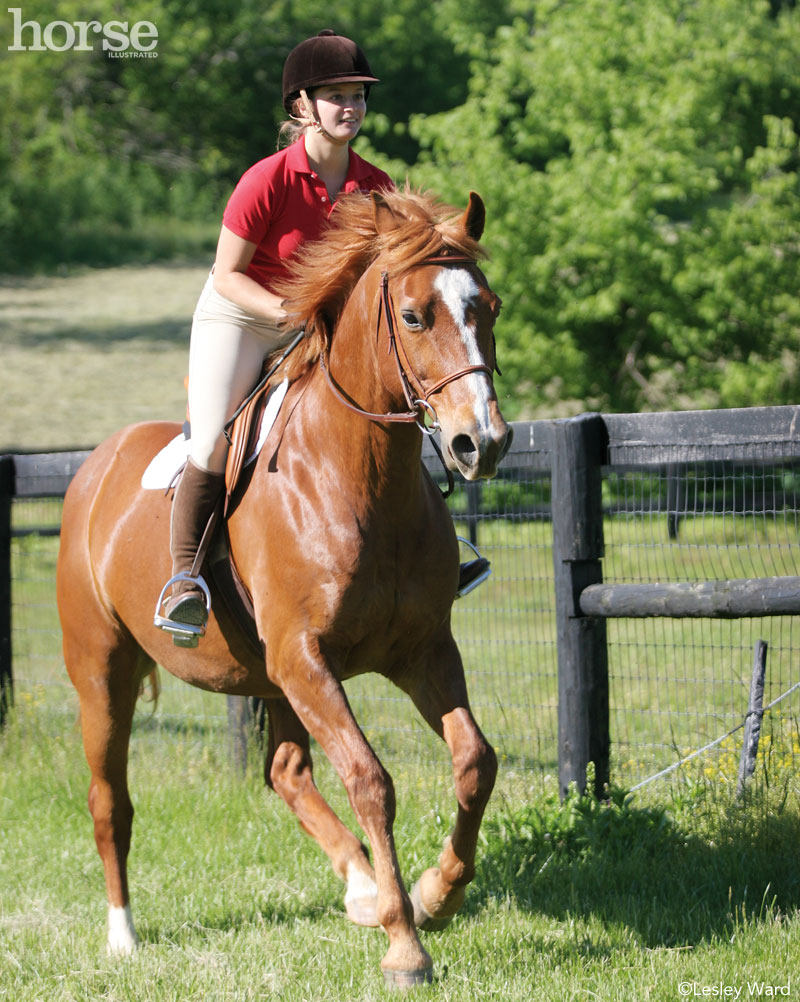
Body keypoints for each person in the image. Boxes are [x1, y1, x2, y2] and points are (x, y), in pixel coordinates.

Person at [155, 29, 488, 647]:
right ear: (301, 106)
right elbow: (227, 275)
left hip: (323, 326)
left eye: (358, 96)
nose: (350, 107)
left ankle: (435, 555)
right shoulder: (267, 179)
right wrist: (290, 312)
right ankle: (184, 579)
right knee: (214, 439)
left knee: (386, 409)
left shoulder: (376, 184)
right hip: (246, 318)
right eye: (335, 96)